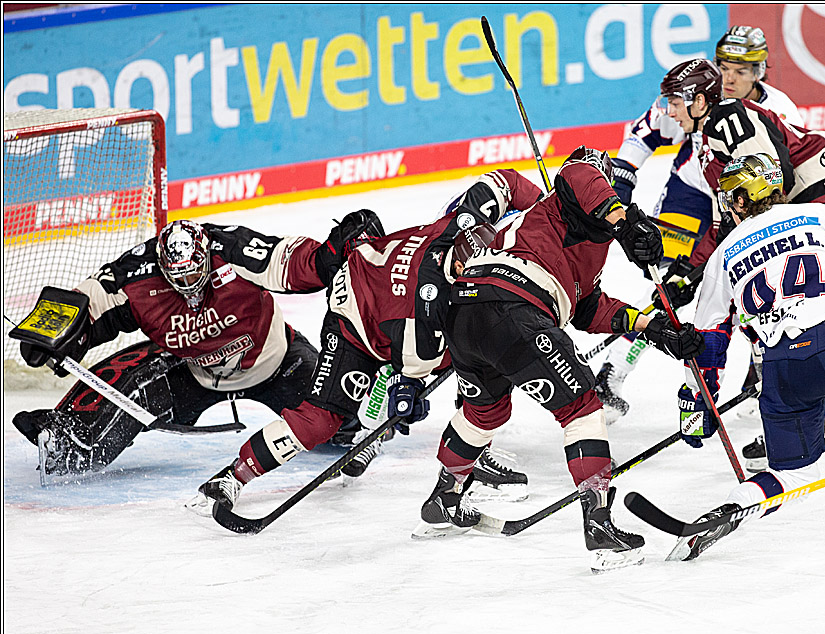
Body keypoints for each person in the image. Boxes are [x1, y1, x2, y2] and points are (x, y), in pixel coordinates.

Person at [413, 147, 706, 573]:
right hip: (513, 308)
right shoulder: (566, 193)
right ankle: (601, 526)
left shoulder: (585, 243)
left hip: (468, 314)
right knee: (582, 406)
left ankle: (444, 497)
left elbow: (588, 309)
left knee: (485, 410)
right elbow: (580, 174)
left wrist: (652, 327)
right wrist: (627, 224)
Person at [190, 169, 545, 512]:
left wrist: (541, 207)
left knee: (475, 343)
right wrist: (406, 393)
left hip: (375, 280)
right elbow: (415, 364)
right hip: (353, 326)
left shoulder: (456, 226)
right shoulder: (424, 312)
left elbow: (506, 182)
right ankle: (232, 477)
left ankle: (382, 427)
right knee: (319, 421)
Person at [11, 216, 377, 483]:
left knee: (342, 424)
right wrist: (53, 333)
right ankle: (68, 436)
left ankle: (366, 420)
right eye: (178, 280)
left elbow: (291, 261)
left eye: (194, 274)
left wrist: (331, 253)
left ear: (204, 255)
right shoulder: (136, 273)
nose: (189, 288)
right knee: (128, 376)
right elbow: (87, 301)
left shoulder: (231, 248)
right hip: (192, 370)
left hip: (276, 361)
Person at [668, 153, 825, 562]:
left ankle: (730, 510)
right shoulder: (817, 216)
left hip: (782, 371)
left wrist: (697, 408)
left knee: (794, 474)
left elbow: (708, 344)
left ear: (738, 200)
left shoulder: (723, 255)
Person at [596, 26, 804, 424]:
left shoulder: (779, 110)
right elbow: (646, 132)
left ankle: (764, 374)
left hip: (743, 204)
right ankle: (614, 371)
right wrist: (621, 179)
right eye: (724, 66)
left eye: (741, 69)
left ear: (760, 70)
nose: (729, 77)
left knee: (751, 287)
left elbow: (786, 178)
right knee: (667, 284)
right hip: (690, 196)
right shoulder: (698, 94)